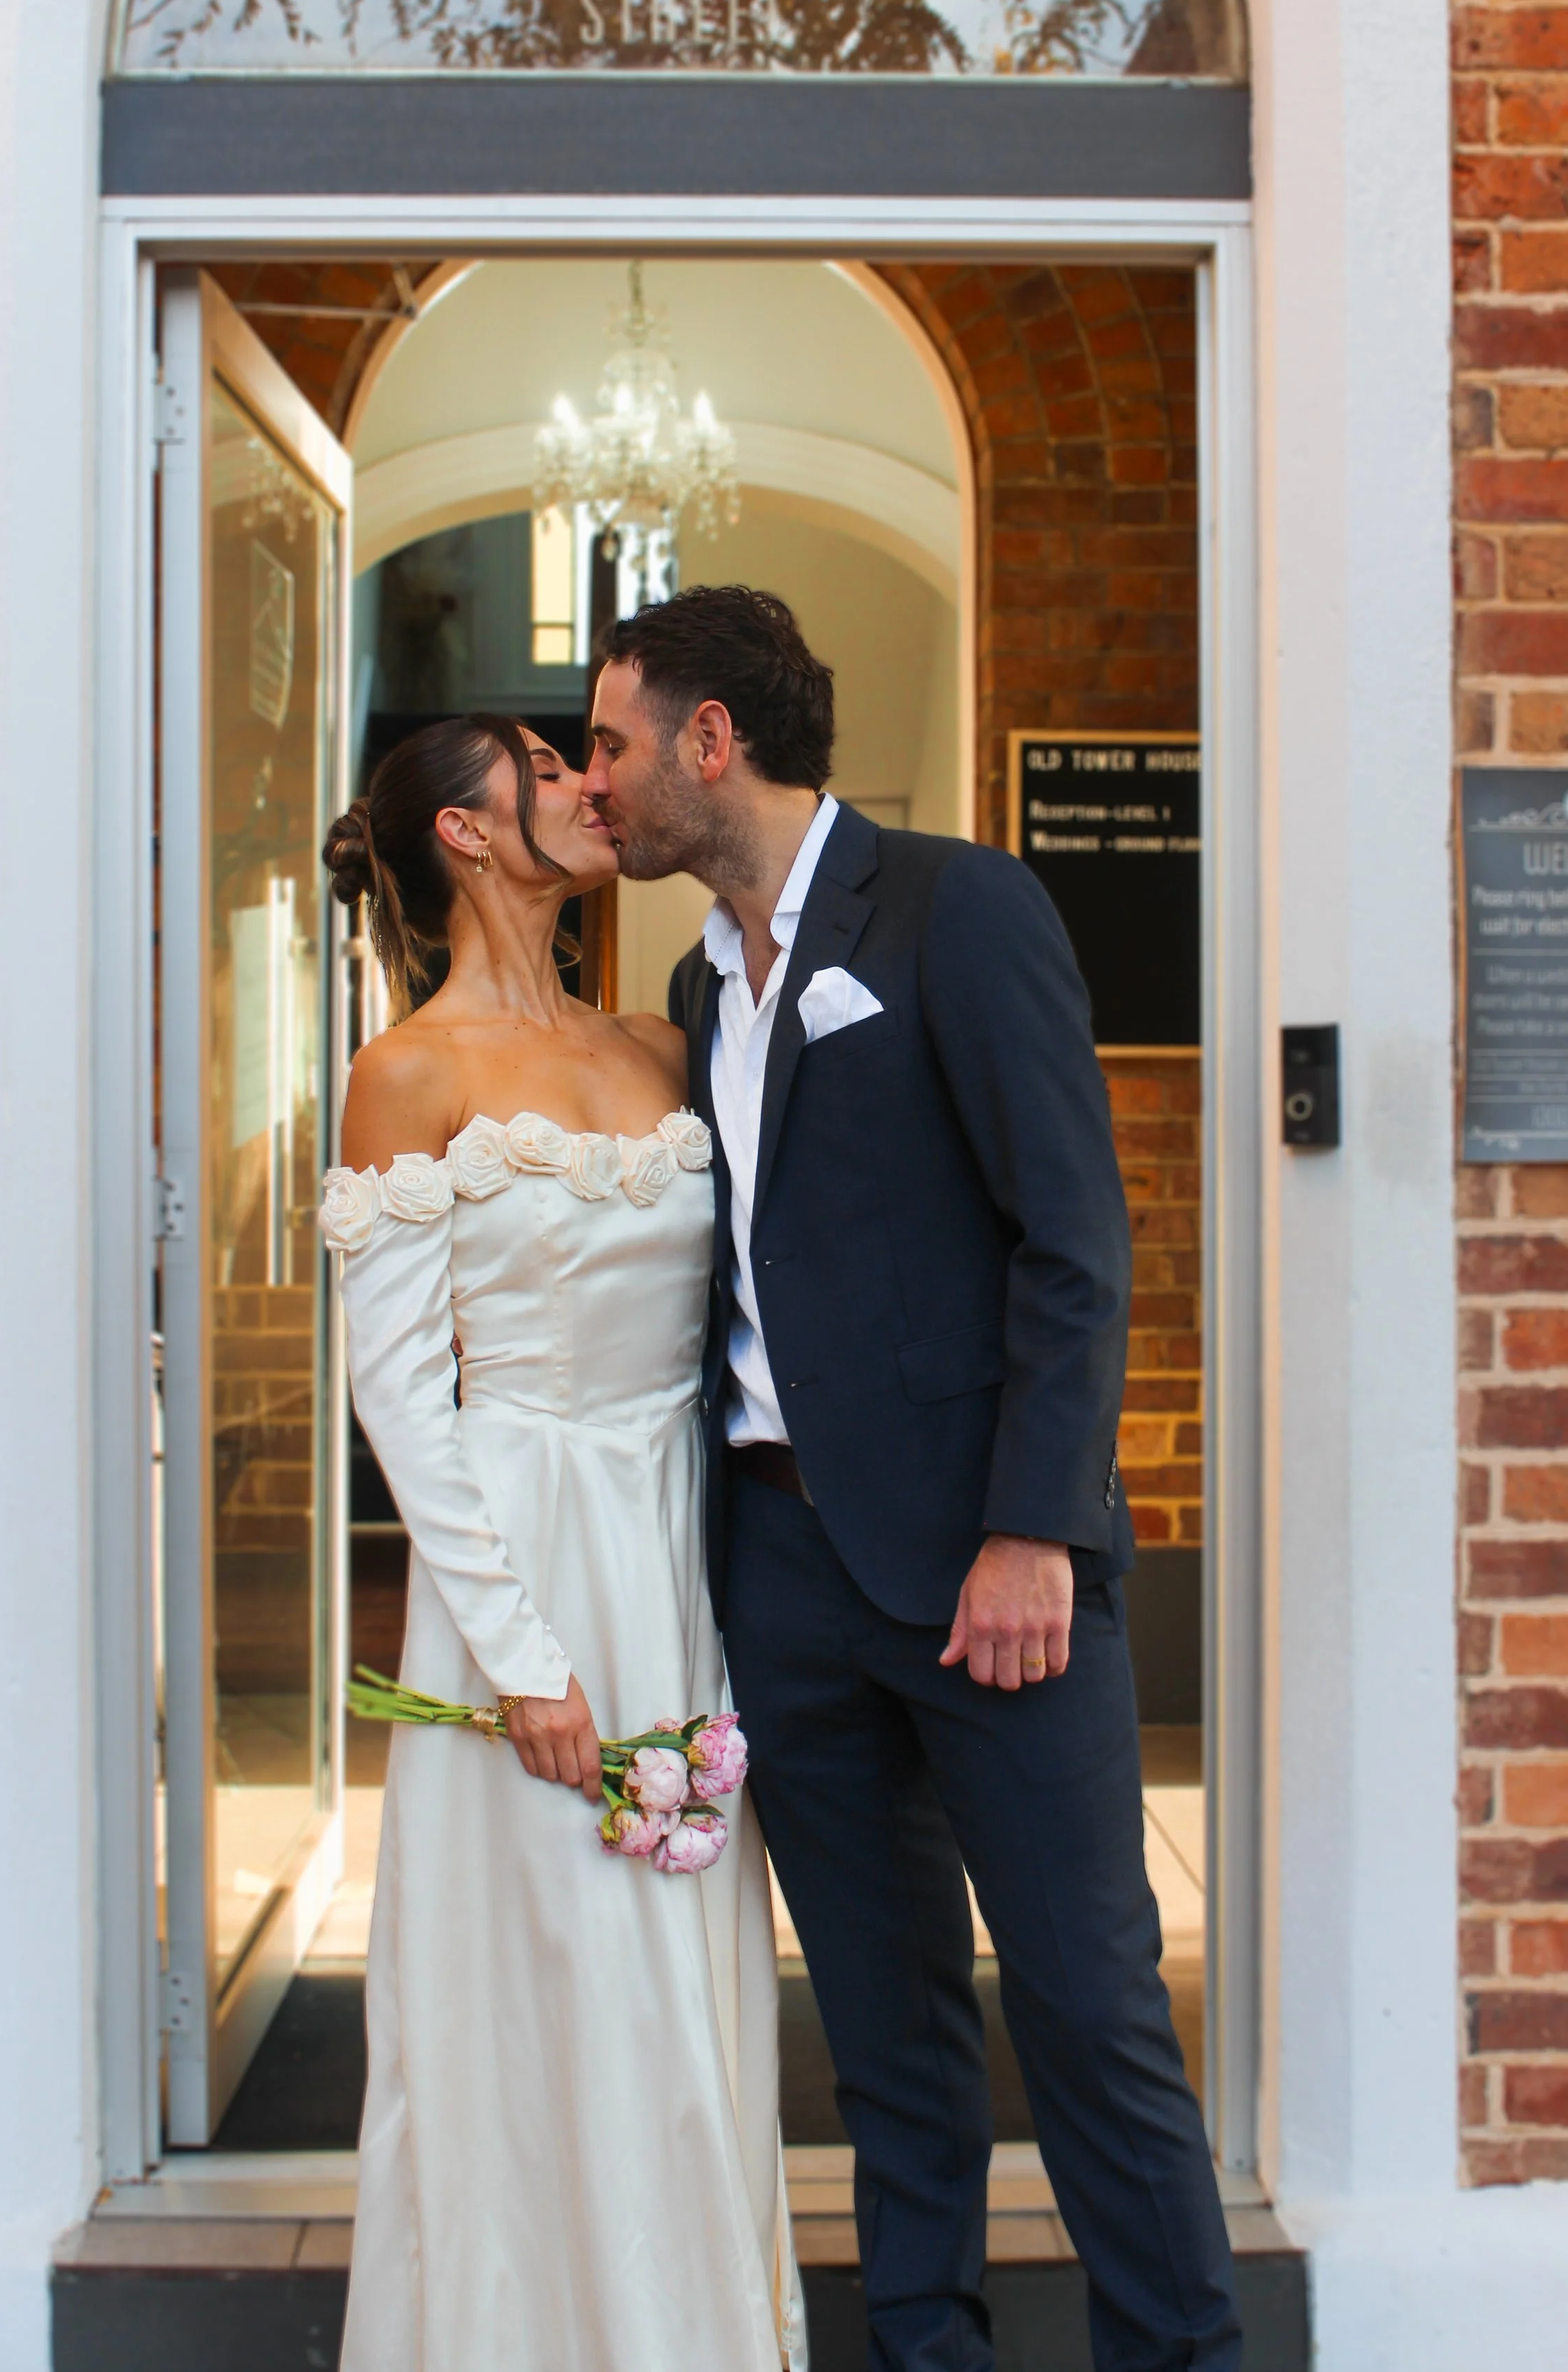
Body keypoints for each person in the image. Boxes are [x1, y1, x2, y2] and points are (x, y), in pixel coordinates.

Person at [584, 588, 1241, 2372]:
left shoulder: (958, 908)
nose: (598, 783)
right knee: (882, 2035)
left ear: (707, 741)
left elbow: (1071, 1239)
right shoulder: (688, 980)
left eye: (612, 742)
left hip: (989, 1578)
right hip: (782, 1581)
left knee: (1087, 2010)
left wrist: (1033, 1527)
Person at [318, 713, 805, 2372]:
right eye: (546, 769)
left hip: (673, 1554)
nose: (589, 788)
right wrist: (520, 1660)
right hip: (514, 1564)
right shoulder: (410, 1075)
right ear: (463, 833)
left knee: (675, 1991)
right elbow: (398, 1397)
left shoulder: (661, 1047)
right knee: (536, 1986)